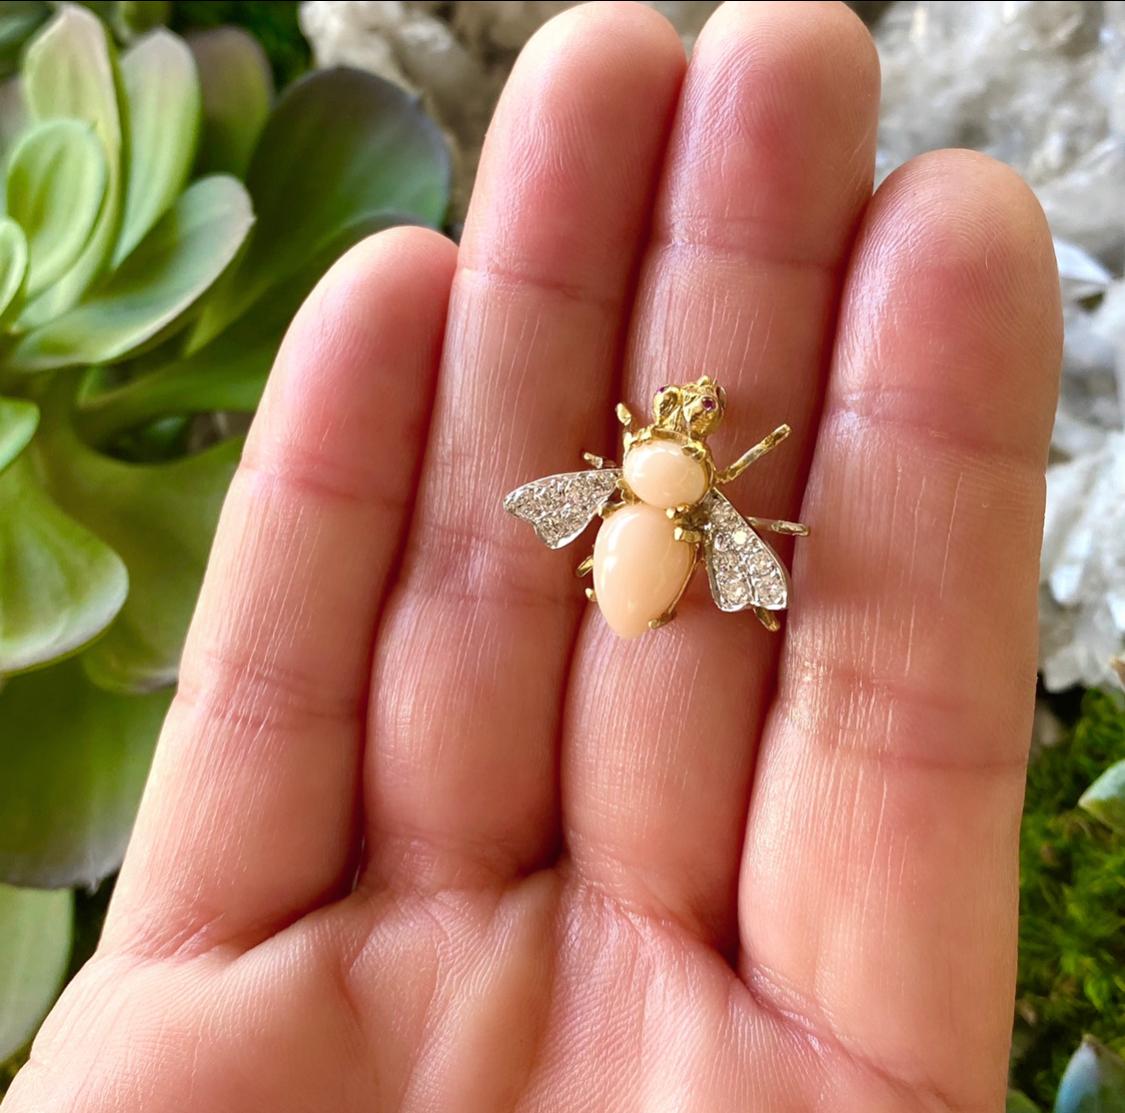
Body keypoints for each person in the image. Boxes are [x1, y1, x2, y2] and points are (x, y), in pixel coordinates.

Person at [1, 2, 1062, 1110]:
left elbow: (693, 521)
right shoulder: (699, 504)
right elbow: (738, 538)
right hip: (646, 556)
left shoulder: (637, 479)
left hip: (631, 553)